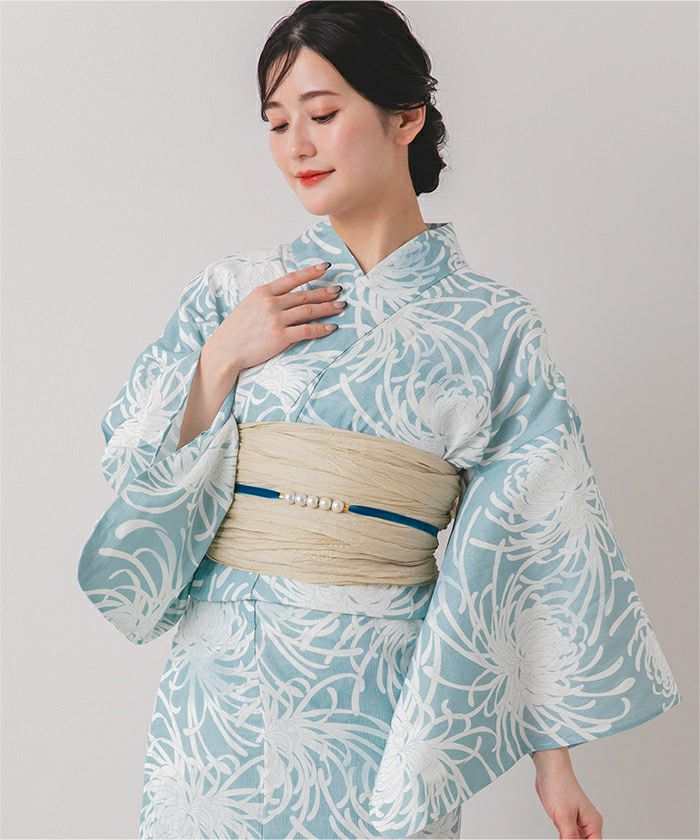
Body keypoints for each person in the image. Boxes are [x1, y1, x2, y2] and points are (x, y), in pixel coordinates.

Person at [77, 2, 683, 839]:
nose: (296, 145)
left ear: (406, 116)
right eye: (277, 122)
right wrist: (219, 361)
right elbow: (133, 470)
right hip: (223, 688)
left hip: (384, 692)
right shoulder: (234, 295)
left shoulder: (493, 326)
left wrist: (556, 764)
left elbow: (539, 533)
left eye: (322, 114)